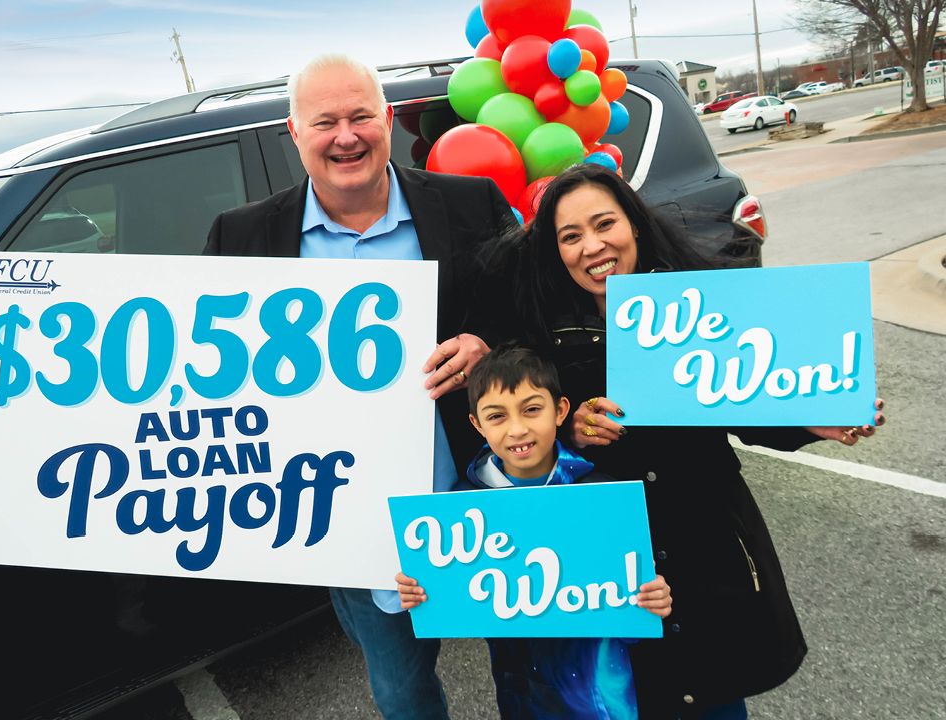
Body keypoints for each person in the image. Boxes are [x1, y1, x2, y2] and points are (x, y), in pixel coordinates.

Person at [472, 163, 886, 719]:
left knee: (712, 692)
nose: (592, 246)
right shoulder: (538, 327)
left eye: (604, 224)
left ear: (634, 224)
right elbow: (519, 435)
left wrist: (814, 422)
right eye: (570, 237)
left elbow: (750, 401)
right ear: (554, 250)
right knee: (626, 693)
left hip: (702, 535)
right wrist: (571, 430)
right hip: (609, 560)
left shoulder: (697, 300)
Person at [200, 54, 515, 719]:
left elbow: (534, 307)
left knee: (529, 662)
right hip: (348, 518)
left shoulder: (470, 205)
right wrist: (10, 364)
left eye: (361, 116)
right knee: (402, 692)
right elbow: (176, 361)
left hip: (483, 491)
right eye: (325, 122)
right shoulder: (241, 238)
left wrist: (488, 343)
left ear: (389, 120)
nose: (346, 136)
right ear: (295, 133)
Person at [396, 345, 674, 719]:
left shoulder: (601, 497)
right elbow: (455, 598)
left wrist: (650, 600)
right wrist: (423, 589)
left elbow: (630, 618)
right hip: (520, 694)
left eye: (531, 409)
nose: (517, 429)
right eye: (496, 416)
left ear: (560, 411)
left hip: (601, 699)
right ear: (476, 424)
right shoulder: (461, 510)